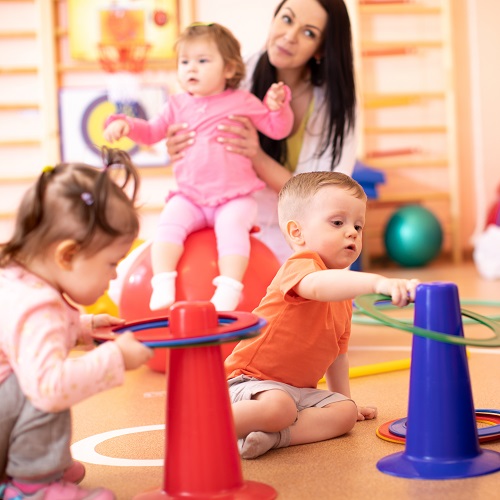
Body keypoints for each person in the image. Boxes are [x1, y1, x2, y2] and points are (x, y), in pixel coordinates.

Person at [224, 171, 420, 459]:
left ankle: (274, 438)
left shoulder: (342, 296)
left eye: (358, 225)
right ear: (297, 232)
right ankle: (207, 424)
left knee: (344, 413)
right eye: (338, 223)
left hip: (297, 392)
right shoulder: (301, 267)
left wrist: (346, 400)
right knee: (279, 408)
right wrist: (378, 283)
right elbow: (316, 286)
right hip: (250, 382)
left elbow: (338, 357)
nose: (352, 232)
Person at [103, 22, 294, 312]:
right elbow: (151, 132)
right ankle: (163, 281)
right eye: (184, 62)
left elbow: (277, 129)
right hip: (190, 197)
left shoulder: (242, 101)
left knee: (232, 229)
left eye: (202, 61)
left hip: (235, 197)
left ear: (229, 69)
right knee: (168, 225)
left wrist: (278, 108)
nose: (191, 68)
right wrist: (126, 124)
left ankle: (230, 286)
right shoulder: (176, 105)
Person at [0, 147, 153, 500]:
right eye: (111, 264)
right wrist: (116, 359)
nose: (113, 276)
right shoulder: (36, 307)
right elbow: (49, 389)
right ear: (67, 255)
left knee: (35, 374)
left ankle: (38, 461)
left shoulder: (20, 279)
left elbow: (26, 335)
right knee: (45, 383)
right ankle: (34, 484)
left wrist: (83, 327)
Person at [165, 0, 358, 263]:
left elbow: (323, 198)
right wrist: (177, 144)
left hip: (298, 231)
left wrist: (255, 155)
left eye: (308, 32)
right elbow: (181, 119)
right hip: (227, 220)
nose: (289, 36)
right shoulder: (230, 76)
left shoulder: (335, 104)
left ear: (321, 49)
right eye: (287, 19)